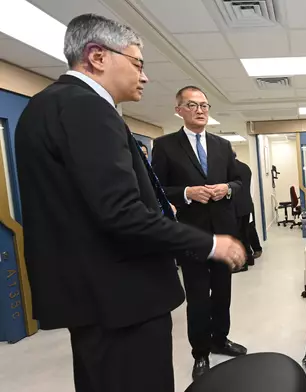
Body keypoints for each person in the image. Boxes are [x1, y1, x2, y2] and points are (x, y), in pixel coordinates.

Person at [13, 14, 245, 392]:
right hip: (122, 297)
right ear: (98, 56)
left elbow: (88, 203)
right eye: (138, 63)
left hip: (91, 295)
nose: (145, 75)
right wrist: (211, 243)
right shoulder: (87, 109)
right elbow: (120, 213)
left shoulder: (44, 106)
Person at [151, 86, 247, 380]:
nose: (201, 110)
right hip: (191, 235)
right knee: (198, 296)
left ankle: (220, 338)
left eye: (204, 105)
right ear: (179, 109)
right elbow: (158, 190)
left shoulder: (221, 145)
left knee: (222, 293)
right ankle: (201, 352)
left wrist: (227, 189)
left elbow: (239, 181)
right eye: (192, 105)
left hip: (224, 232)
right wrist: (188, 193)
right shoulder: (165, 146)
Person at [232, 153, 256, 267]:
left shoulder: (229, 169)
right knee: (245, 233)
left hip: (235, 207)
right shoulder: (245, 167)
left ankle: (243, 263)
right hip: (246, 204)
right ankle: (249, 257)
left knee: (238, 235)